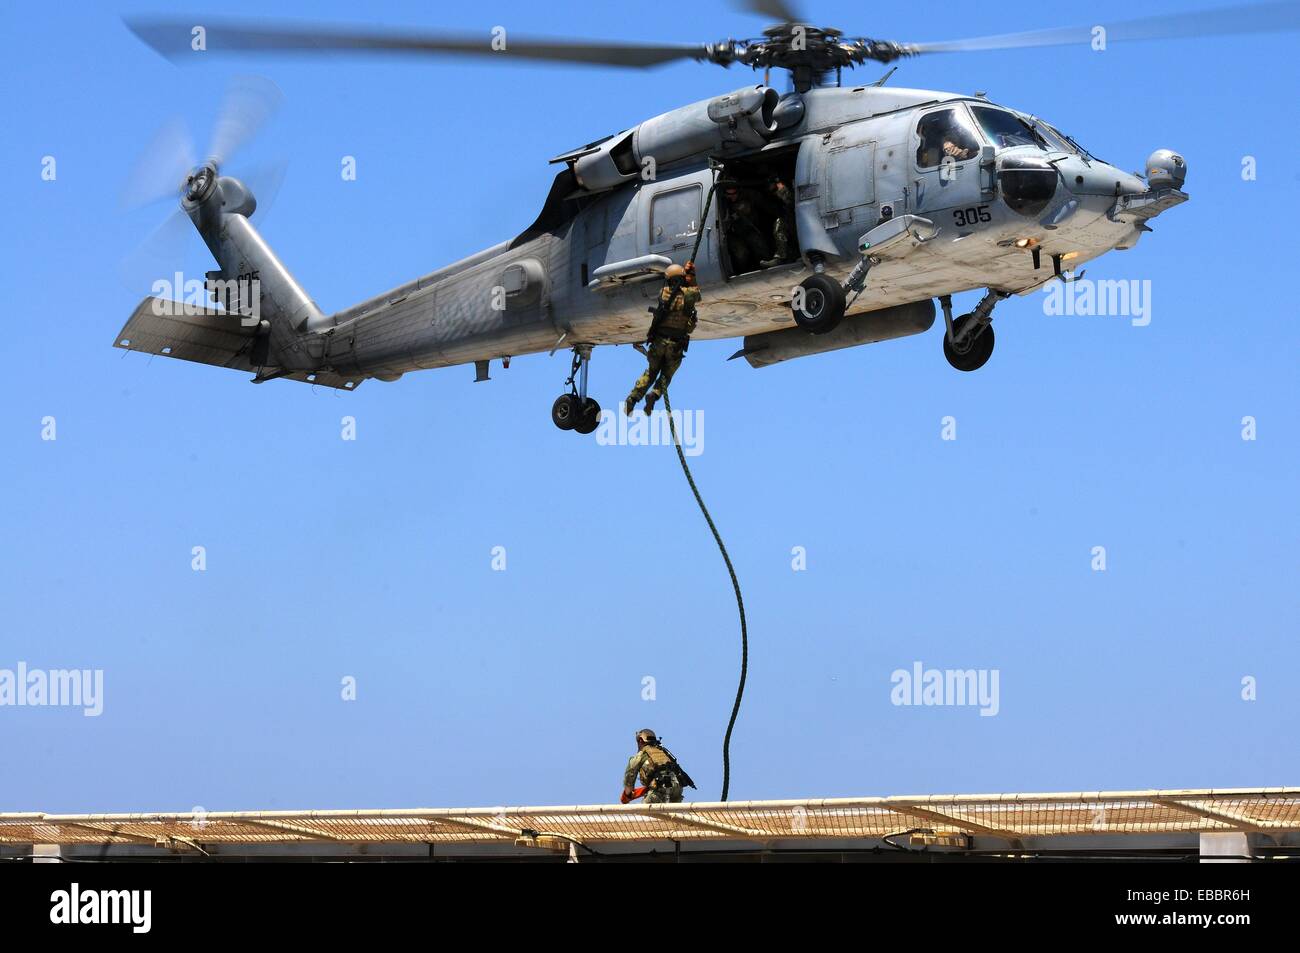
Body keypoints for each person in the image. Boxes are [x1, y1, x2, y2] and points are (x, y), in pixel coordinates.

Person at [624, 262, 700, 415]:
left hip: (659, 341)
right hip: (676, 344)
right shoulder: (688, 295)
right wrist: (691, 276)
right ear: (682, 278)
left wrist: (685, 277)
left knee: (651, 372)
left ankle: (633, 398)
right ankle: (655, 393)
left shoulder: (663, 292)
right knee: (666, 375)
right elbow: (696, 294)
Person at [621, 729, 695, 805]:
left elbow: (629, 784)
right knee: (669, 815)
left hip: (660, 789)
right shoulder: (663, 752)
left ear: (640, 740)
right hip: (677, 789)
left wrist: (627, 795)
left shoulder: (639, 756)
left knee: (644, 814)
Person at [720, 181, 771, 274]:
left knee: (759, 245)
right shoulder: (722, 203)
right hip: (732, 234)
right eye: (729, 194)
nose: (732, 196)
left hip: (748, 230)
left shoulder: (747, 198)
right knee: (741, 253)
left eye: (734, 193)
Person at [758, 174, 796, 269]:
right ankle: (786, 256)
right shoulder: (775, 197)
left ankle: (782, 257)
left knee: (780, 224)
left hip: (800, 220)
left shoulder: (788, 191)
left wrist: (783, 191)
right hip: (792, 221)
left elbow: (793, 203)